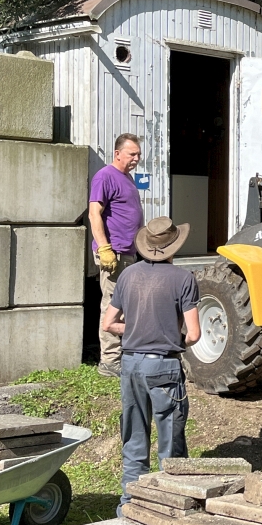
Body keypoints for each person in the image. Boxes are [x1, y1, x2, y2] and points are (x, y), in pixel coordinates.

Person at [101, 217, 201, 517]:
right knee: (170, 443)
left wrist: (136, 330)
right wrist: (168, 333)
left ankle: (129, 507)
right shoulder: (183, 279)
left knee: (133, 438)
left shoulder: (128, 276)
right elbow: (194, 334)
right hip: (164, 367)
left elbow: (109, 323)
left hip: (130, 364)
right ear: (174, 246)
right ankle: (168, 508)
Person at [89, 133, 144, 377]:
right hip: (114, 253)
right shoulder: (105, 176)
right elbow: (94, 213)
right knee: (113, 306)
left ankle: (122, 355)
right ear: (117, 153)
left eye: (138, 154)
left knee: (126, 305)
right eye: (132, 154)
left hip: (128, 253)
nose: (136, 159)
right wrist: (104, 248)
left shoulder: (127, 178)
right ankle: (110, 361)